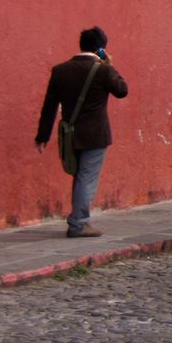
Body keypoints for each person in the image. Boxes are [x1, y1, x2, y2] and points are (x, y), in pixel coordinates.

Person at [35, 26, 129, 238]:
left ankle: (78, 219)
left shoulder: (60, 70)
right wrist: (110, 65)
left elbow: (49, 106)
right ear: (101, 49)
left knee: (79, 178)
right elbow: (122, 91)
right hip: (95, 135)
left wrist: (43, 135)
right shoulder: (104, 71)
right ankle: (79, 223)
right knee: (86, 178)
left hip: (69, 135)